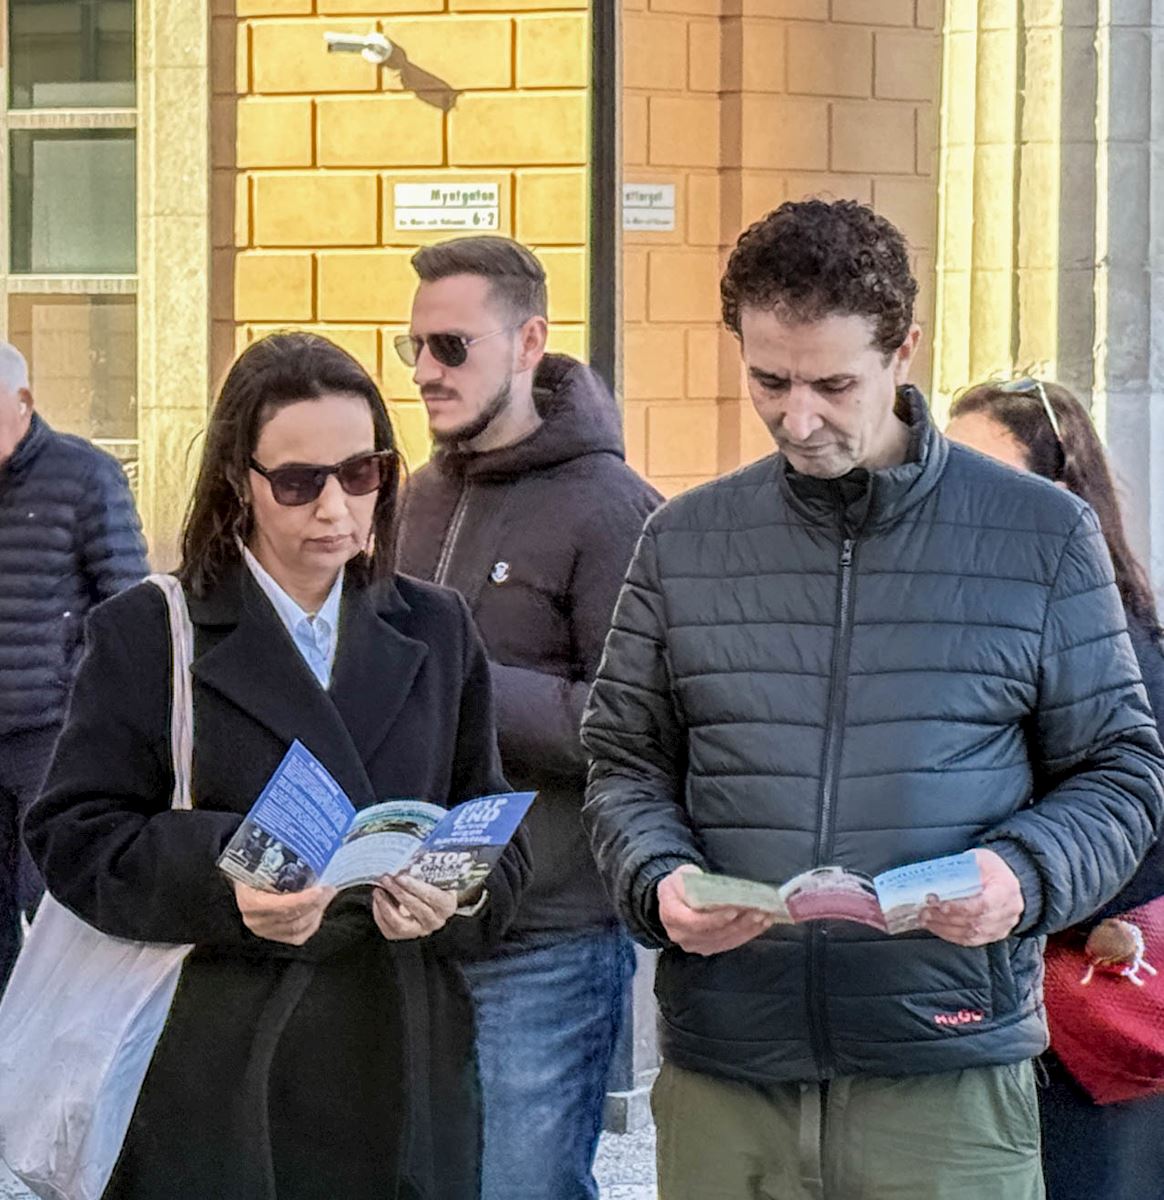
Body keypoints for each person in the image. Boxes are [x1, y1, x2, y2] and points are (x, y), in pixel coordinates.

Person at [580, 200, 1164, 1200]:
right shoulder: (683, 541)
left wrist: (1022, 874)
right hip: (730, 1065)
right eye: (769, 381)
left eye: (833, 384)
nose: (797, 418)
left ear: (905, 351)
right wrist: (657, 876)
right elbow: (625, 763)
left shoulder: (1042, 535)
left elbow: (1121, 770)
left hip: (948, 1070)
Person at [24, 331, 531, 1200]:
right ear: (240, 479)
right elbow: (74, 837)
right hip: (215, 1066)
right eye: (299, 482)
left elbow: (494, 827)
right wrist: (230, 873)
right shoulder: (151, 632)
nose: (335, 508)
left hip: (401, 1053)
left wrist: (459, 894)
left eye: (362, 474)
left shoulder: (437, 627)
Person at [395, 236, 660, 1200]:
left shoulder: (614, 508)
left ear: (529, 341)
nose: (426, 371)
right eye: (413, 347)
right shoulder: (412, 497)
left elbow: (634, 722)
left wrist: (463, 682)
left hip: (548, 934)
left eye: (452, 347)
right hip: (407, 917)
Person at [947, 378, 1164, 1200]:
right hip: (989, 1013)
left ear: (1061, 497)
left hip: (1077, 1020)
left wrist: (1022, 880)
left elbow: (1142, 833)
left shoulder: (1114, 643)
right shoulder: (966, 623)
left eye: (988, 478)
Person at [0, 342, 147, 992]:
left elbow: (126, 606)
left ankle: (72, 1035)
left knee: (54, 905)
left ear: (23, 403)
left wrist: (77, 687)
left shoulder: (86, 477)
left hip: (50, 735)